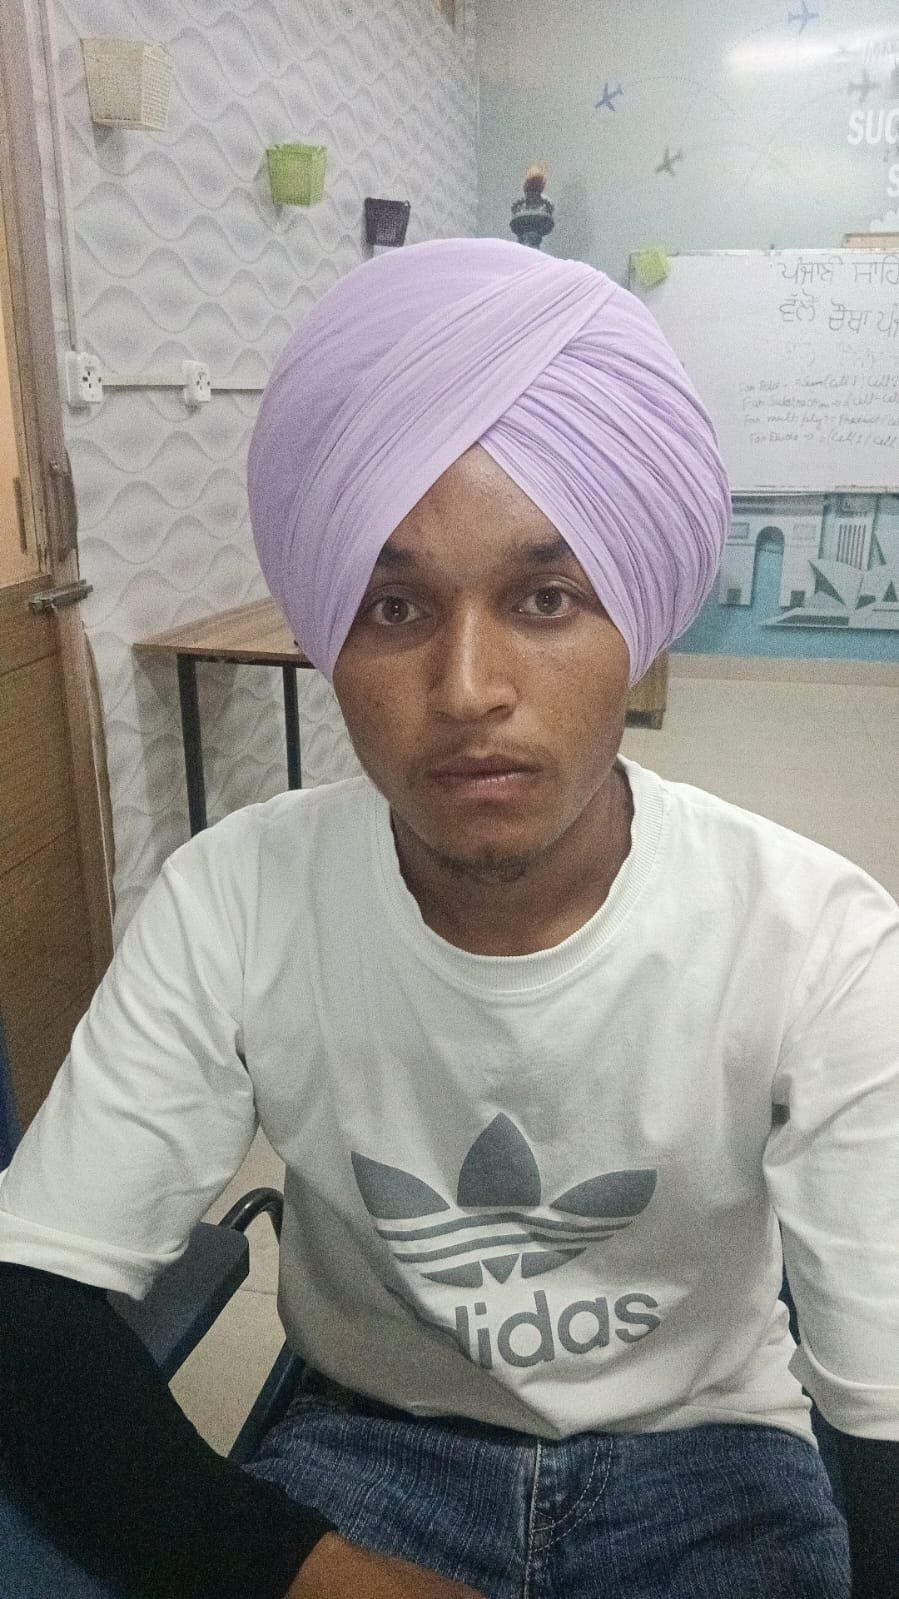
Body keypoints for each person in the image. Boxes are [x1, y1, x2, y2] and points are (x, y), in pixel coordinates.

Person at [0, 237, 897, 1599]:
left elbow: (885, 1426)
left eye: (545, 599)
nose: (469, 686)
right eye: (394, 604)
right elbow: (29, 1305)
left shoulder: (816, 939)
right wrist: (304, 1575)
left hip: (710, 1459)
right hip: (375, 1445)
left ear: (640, 625)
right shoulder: (238, 899)